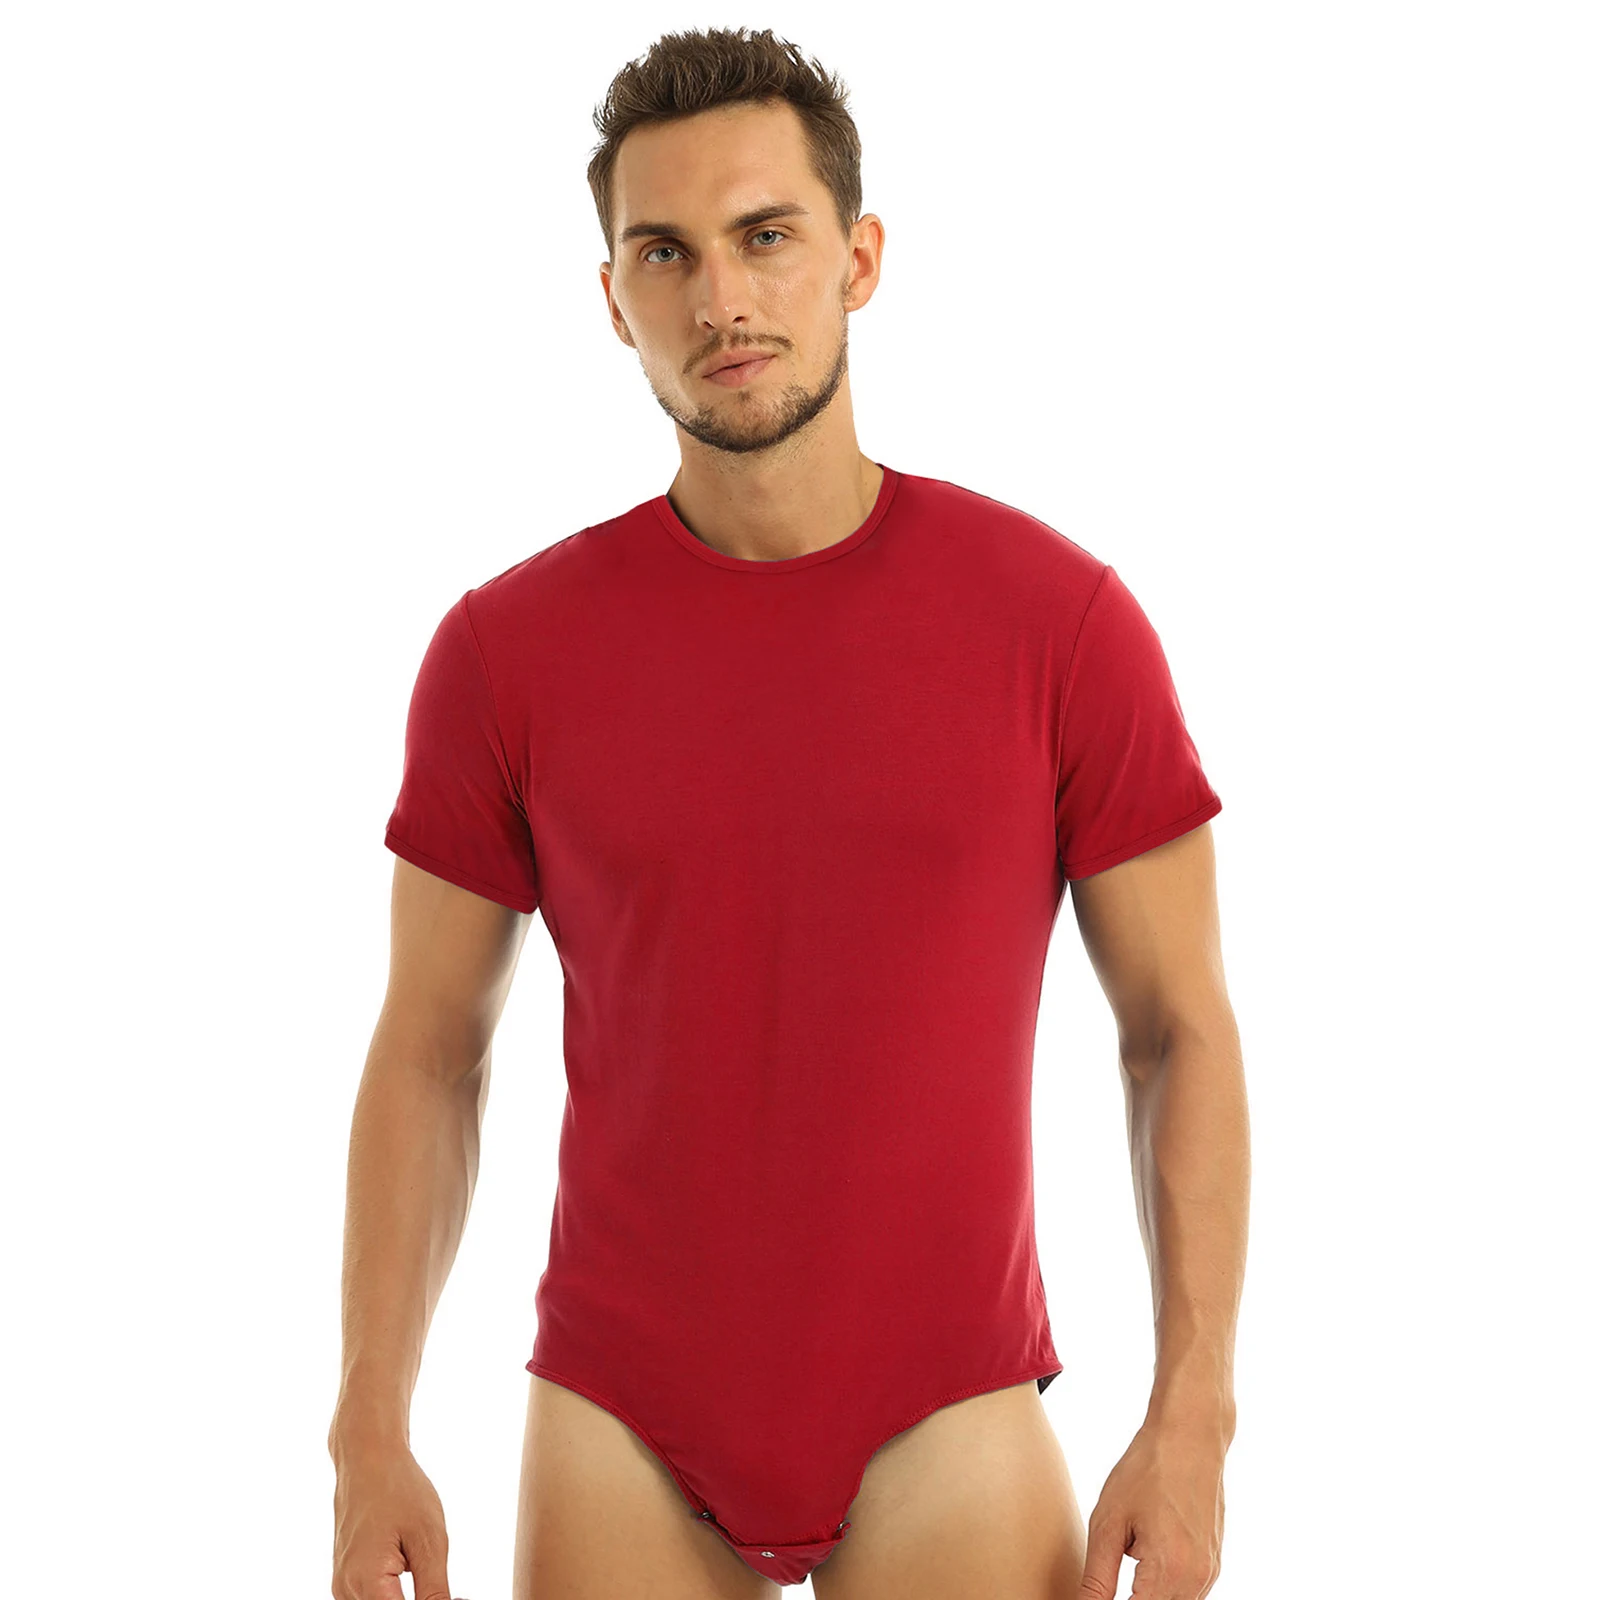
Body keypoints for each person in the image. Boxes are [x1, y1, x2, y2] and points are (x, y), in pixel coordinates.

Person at [328, 25, 1248, 1600]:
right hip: (621, 1419)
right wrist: (368, 1434)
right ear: (611, 298)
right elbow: (428, 1049)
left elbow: (1181, 1031)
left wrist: (1193, 1423)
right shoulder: (504, 652)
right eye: (665, 253)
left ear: (859, 259)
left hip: (952, 1408)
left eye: (765, 236)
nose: (720, 300)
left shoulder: (1059, 622)